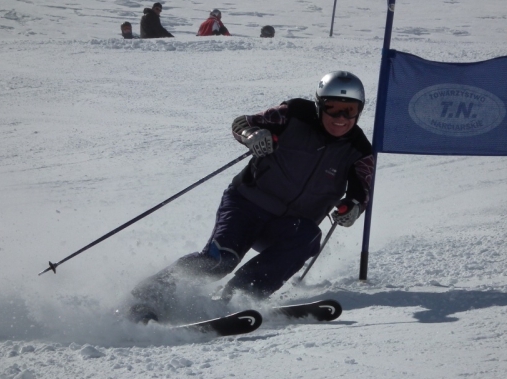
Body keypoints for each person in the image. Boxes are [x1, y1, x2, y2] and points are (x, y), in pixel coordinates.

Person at [127, 71, 374, 323]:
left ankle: (238, 298)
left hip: (289, 224)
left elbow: (362, 192)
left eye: (350, 110)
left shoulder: (359, 150)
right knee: (221, 260)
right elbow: (242, 123)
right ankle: (151, 294)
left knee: (308, 237)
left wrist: (353, 208)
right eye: (333, 108)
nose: (341, 118)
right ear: (320, 104)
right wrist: (252, 135)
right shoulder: (294, 113)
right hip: (247, 205)